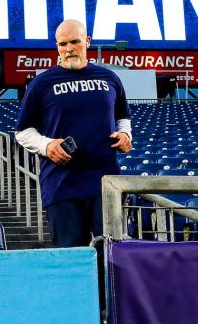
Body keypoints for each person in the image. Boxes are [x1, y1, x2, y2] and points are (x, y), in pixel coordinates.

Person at [14, 19, 134, 247]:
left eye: (75, 42)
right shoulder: (41, 84)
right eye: (63, 44)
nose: (69, 49)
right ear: (57, 46)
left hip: (105, 183)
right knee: (71, 256)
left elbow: (123, 116)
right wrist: (46, 145)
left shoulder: (110, 78)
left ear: (87, 42)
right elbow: (22, 131)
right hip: (62, 185)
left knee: (111, 254)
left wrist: (125, 134)